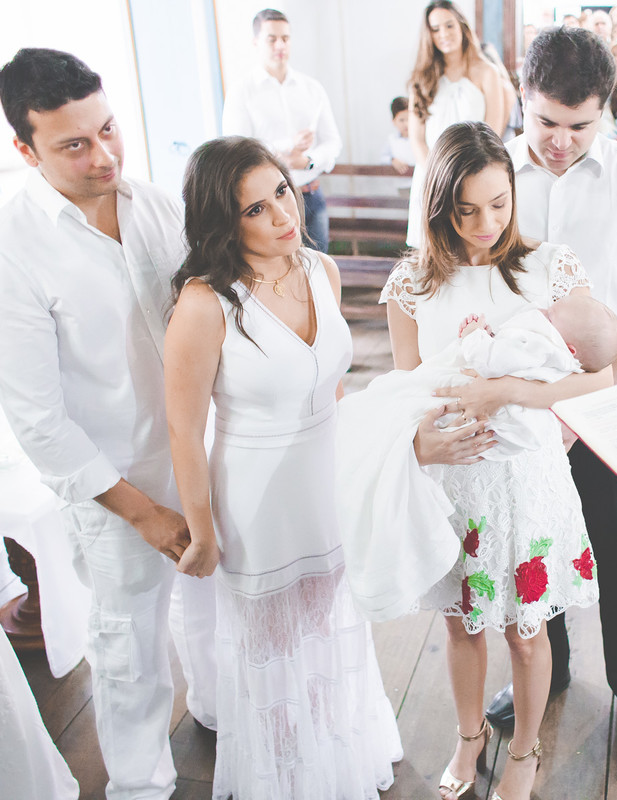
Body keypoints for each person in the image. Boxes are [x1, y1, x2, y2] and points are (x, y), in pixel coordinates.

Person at [0, 48, 217, 799]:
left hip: (200, 458)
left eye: (109, 129)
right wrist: (146, 515)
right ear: (24, 150)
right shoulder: (6, 255)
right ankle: (139, 785)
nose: (103, 155)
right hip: (117, 487)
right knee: (128, 645)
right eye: (74, 144)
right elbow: (39, 424)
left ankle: (215, 714)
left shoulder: (158, 205)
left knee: (209, 607)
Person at [164, 136, 401, 799]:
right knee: (272, 644)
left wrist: (358, 476)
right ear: (222, 222)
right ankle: (285, 772)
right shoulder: (205, 303)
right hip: (256, 493)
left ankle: (334, 746)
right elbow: (183, 430)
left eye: (281, 193)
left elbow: (333, 387)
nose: (279, 216)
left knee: (328, 621)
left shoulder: (321, 270)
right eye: (254, 210)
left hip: (325, 477)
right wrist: (202, 532)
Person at [382, 121, 605, 800]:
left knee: (529, 633)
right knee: (462, 627)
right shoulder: (411, 284)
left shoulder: (548, 267)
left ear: (514, 190)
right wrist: (426, 437)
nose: (486, 223)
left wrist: (507, 391)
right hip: (455, 483)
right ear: (439, 206)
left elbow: (600, 376)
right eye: (467, 209)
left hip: (527, 477)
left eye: (499, 203)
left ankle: (526, 751)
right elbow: (404, 393)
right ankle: (469, 735)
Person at [483, 25, 617, 771]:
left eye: (578, 126)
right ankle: (552, 667)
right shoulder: (489, 176)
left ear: (605, 109)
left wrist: (586, 405)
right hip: (517, 413)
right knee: (531, 547)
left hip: (610, 408)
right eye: (544, 123)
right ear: (522, 97)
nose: (559, 142)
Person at [338, 293, 617, 623]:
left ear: (570, 347)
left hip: (510, 470)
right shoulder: (561, 349)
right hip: (464, 456)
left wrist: (474, 334)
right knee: (464, 623)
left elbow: (490, 359)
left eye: (552, 313)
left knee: (385, 403)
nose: (544, 309)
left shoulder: (540, 343)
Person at [222, 8, 342, 253]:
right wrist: (287, 148)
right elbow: (237, 151)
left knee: (319, 273)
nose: (280, 45)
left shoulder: (311, 88)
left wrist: (307, 161)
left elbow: (333, 142)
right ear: (256, 42)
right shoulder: (241, 92)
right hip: (265, 204)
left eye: (285, 38)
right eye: (272, 39)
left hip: (310, 197)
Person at [406, 0, 506, 247]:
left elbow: (494, 131)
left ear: (462, 26)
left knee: (470, 250)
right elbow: (417, 138)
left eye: (449, 26)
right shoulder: (422, 78)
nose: (444, 34)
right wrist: (438, 177)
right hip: (432, 176)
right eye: (436, 29)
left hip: (475, 175)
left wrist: (467, 178)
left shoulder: (486, 72)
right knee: (433, 252)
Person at [383, 96, 416, 175]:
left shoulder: (419, 139)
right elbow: (383, 158)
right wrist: (392, 160)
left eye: (409, 119)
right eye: (401, 120)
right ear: (394, 121)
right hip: (400, 184)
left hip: (419, 183)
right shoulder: (392, 139)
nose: (406, 124)